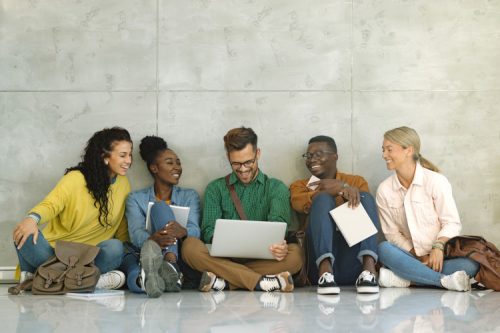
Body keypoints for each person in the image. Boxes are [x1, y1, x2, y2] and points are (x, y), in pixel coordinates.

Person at [182, 127, 302, 292]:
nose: (243, 169)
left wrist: (280, 247)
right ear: (228, 157)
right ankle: (262, 282)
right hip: (224, 259)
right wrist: (227, 240)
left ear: (257, 154)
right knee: (189, 247)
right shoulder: (215, 188)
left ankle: (225, 282)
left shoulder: (276, 188)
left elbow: (278, 228)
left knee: (295, 255)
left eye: (248, 162)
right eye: (236, 164)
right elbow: (208, 231)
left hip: (259, 260)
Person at [12, 127, 133, 290]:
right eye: (123, 155)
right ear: (104, 157)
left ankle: (43, 279)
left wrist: (126, 253)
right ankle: (87, 281)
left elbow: (122, 227)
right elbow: (51, 203)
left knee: (115, 247)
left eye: (129, 155)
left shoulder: (123, 184)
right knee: (23, 233)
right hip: (53, 255)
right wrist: (32, 219)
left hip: (88, 258)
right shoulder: (75, 179)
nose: (129, 161)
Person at [376, 126, 479, 291]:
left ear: (408, 150)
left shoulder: (436, 181)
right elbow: (392, 234)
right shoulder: (384, 190)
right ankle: (443, 281)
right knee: (383, 249)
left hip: (441, 257)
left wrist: (438, 247)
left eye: (389, 150)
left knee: (472, 265)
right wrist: (417, 255)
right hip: (409, 256)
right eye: (383, 150)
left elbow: (451, 223)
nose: (384, 155)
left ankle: (408, 278)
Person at [290, 135, 380, 295]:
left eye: (318, 154)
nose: (312, 159)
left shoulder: (356, 181)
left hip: (353, 260)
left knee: (364, 197)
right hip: (316, 265)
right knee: (322, 199)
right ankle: (326, 272)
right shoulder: (300, 185)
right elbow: (299, 204)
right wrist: (336, 190)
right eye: (309, 156)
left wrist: (344, 188)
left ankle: (369, 271)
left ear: (335, 156)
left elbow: (366, 213)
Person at [123, 135, 201, 298]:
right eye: (170, 163)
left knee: (160, 208)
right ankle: (165, 272)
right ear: (154, 168)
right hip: (146, 255)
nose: (177, 167)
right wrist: (152, 239)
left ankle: (170, 262)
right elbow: (135, 233)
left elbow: (195, 230)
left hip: (181, 257)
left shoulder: (190, 196)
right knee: (136, 279)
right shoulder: (135, 199)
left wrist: (183, 231)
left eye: (178, 163)